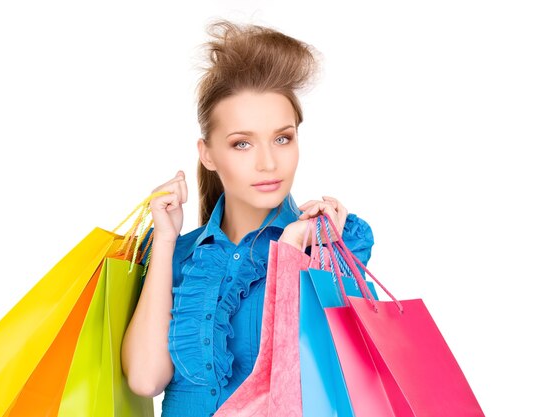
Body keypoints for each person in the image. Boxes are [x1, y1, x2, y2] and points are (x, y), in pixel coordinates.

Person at [121, 18, 374, 417]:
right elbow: (145, 380)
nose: (268, 162)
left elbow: (340, 383)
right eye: (242, 143)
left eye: (282, 138)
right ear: (207, 154)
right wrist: (167, 241)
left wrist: (292, 248)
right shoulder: (182, 255)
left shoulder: (330, 245)